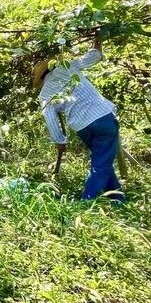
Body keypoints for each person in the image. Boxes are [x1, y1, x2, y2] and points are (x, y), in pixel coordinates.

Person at [33, 39, 124, 202]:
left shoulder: (44, 94)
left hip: (82, 127)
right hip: (102, 117)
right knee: (101, 162)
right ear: (51, 66)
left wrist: (60, 141)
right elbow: (92, 58)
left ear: (41, 78)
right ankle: (87, 202)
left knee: (101, 160)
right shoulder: (65, 67)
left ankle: (118, 199)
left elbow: (51, 120)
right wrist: (97, 45)